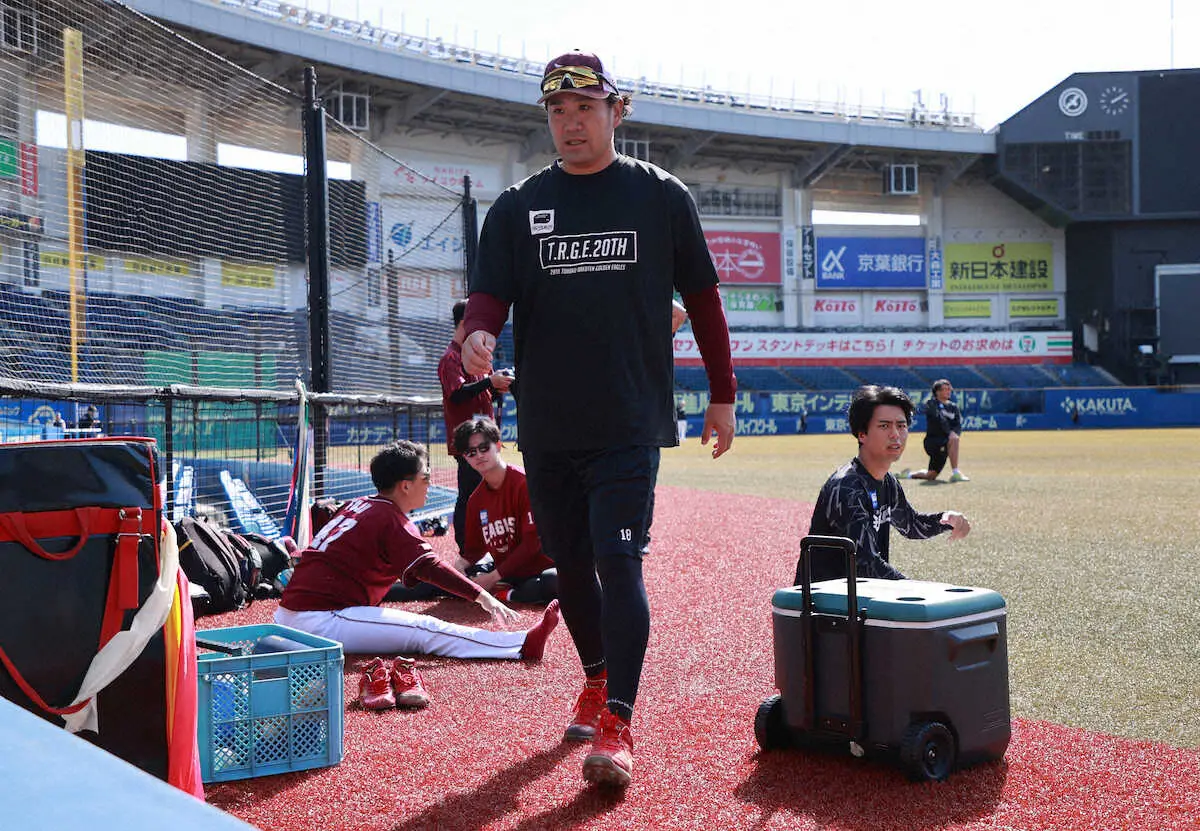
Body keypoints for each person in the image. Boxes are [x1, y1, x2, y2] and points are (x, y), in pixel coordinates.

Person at [459, 50, 737, 788]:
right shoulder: (518, 206)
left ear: (618, 110)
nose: (570, 122)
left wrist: (723, 393)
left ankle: (618, 718)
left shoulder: (660, 196)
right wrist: (479, 333)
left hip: (627, 419)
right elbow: (488, 296)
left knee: (620, 560)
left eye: (585, 107)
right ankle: (593, 672)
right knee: (571, 567)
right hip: (548, 425)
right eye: (557, 110)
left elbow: (703, 299)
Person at [274, 441, 561, 710]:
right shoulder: (388, 517)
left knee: (416, 624)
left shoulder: (360, 504)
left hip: (299, 615)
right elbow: (430, 568)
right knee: (424, 630)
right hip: (319, 620)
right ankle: (521, 645)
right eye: (425, 476)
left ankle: (518, 642)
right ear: (405, 485)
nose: (430, 482)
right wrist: (481, 595)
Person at [807, 385, 970, 584]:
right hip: (825, 605)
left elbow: (910, 524)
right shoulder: (847, 487)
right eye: (884, 426)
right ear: (861, 434)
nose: (895, 434)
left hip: (861, 598)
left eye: (901, 426)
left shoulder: (888, 481)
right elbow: (867, 564)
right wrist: (917, 590)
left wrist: (946, 519)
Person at [439, 299, 514, 559]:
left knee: (487, 493)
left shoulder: (475, 356)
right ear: (464, 323)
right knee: (469, 496)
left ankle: (484, 548)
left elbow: (480, 396)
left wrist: (495, 387)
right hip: (467, 441)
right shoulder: (451, 357)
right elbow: (457, 395)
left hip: (483, 436)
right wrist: (489, 383)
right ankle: (468, 551)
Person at [455, 416, 557, 604]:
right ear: (465, 458)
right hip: (505, 573)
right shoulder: (475, 501)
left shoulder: (525, 484)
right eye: (471, 452)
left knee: (555, 581)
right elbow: (474, 550)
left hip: (541, 569)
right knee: (449, 579)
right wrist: (460, 564)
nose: (478, 455)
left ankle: (506, 594)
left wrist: (492, 577)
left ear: (498, 445)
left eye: (484, 448)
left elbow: (532, 544)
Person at [902, 379, 969, 482]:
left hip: (946, 442)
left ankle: (908, 475)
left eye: (949, 389)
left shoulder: (953, 407)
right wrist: (950, 433)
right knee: (954, 439)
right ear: (937, 392)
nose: (948, 391)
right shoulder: (931, 404)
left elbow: (958, 424)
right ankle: (956, 473)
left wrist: (954, 433)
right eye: (945, 389)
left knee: (931, 475)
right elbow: (939, 420)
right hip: (933, 442)